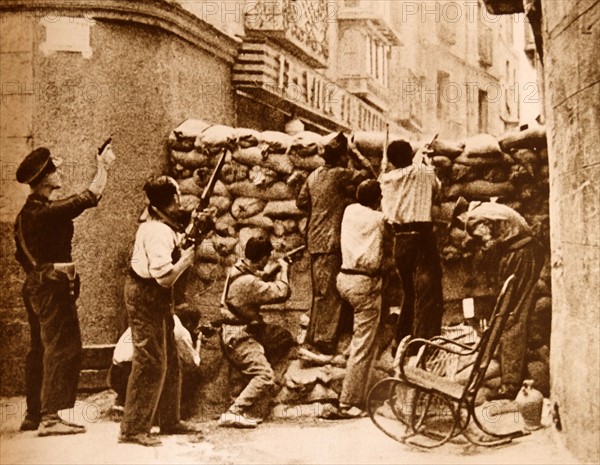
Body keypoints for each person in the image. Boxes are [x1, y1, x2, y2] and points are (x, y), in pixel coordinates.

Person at [14, 144, 115, 436]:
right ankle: (50, 417)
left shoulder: (25, 215)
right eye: (54, 170)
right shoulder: (44, 212)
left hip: (36, 285)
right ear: (45, 179)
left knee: (40, 349)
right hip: (51, 288)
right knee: (63, 347)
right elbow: (90, 197)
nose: (59, 173)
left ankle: (33, 414)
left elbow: (21, 256)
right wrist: (103, 166)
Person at [120, 176, 209, 446]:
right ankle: (132, 429)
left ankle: (170, 420)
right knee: (150, 361)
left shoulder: (163, 224)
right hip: (147, 293)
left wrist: (199, 230)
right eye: (177, 198)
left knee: (169, 356)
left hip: (156, 296)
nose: (181, 203)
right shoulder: (156, 232)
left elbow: (181, 240)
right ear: (171, 201)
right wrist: (185, 261)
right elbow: (164, 277)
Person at [452, 197, 544, 400]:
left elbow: (490, 243)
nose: (467, 230)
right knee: (514, 315)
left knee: (511, 318)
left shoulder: (474, 219)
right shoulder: (490, 209)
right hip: (526, 252)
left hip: (521, 255)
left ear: (462, 216)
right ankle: (509, 376)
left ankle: (509, 385)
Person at [296, 133, 366, 356]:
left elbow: (301, 202)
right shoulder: (341, 175)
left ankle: (314, 336)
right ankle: (324, 340)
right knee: (330, 293)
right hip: (330, 241)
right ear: (342, 157)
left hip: (314, 240)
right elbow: (369, 179)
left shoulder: (314, 175)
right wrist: (358, 155)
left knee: (319, 290)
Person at [218, 236, 293, 429]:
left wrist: (273, 270)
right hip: (240, 336)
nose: (267, 262)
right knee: (265, 375)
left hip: (234, 332)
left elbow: (257, 280)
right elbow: (281, 292)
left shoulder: (238, 268)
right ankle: (234, 412)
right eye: (267, 258)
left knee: (280, 337)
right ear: (261, 259)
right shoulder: (248, 282)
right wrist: (284, 270)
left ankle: (246, 407)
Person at [379, 140, 444, 351]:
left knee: (410, 292)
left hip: (400, 241)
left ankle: (402, 340)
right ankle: (423, 344)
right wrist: (426, 160)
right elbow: (439, 193)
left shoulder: (386, 179)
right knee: (428, 292)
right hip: (422, 239)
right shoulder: (424, 172)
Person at [335, 180, 388, 418]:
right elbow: (390, 216)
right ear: (377, 199)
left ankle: (359, 392)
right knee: (363, 345)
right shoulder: (379, 219)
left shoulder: (350, 211)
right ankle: (348, 402)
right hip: (363, 283)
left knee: (364, 339)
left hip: (344, 279)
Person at [108, 314, 201, 413]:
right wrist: (198, 343)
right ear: (189, 323)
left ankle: (125, 400)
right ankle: (164, 412)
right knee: (181, 370)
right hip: (133, 375)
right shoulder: (179, 330)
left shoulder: (151, 319)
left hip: (114, 374)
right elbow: (192, 363)